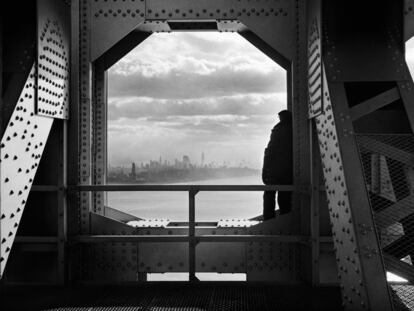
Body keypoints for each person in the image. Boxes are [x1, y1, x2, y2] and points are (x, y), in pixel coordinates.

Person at [262, 110, 293, 220]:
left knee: (269, 194)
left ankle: (268, 220)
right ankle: (285, 219)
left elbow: (270, 151)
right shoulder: (294, 129)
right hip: (288, 171)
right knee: (284, 196)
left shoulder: (278, 130)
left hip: (274, 171)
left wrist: (265, 170)